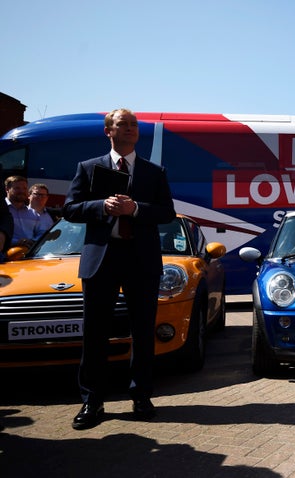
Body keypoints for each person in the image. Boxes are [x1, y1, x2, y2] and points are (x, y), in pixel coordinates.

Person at [63, 108, 176, 430]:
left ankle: (141, 396)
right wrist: (101, 206)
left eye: (133, 125)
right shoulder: (88, 168)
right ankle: (92, 402)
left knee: (142, 332)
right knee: (95, 333)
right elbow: (70, 209)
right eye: (121, 125)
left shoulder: (155, 172)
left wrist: (136, 208)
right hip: (102, 259)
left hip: (141, 259)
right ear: (108, 131)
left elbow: (167, 212)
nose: (129, 129)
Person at [4, 175, 38, 247]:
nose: (22, 191)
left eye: (24, 188)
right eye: (17, 188)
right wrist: (16, 242)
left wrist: (33, 241)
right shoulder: (2, 210)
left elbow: (40, 233)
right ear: (7, 189)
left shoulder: (33, 213)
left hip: (30, 255)